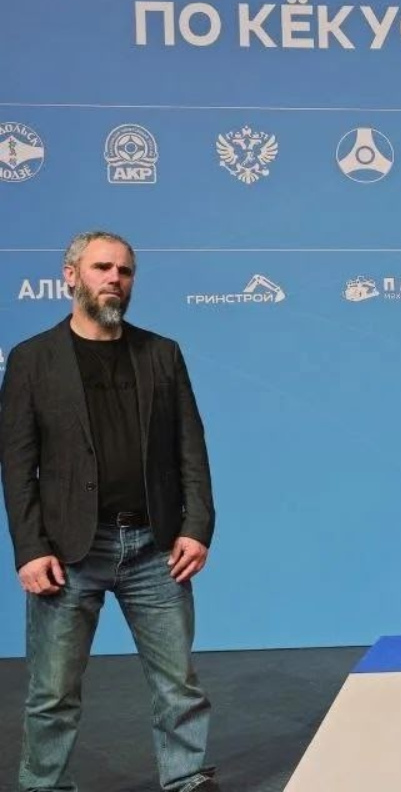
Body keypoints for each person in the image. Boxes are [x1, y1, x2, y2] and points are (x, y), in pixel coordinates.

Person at [1, 231, 219, 792]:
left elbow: (190, 447)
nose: (114, 279)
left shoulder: (162, 354)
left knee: (178, 684)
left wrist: (196, 526)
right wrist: (30, 548)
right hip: (68, 551)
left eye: (124, 271)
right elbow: (17, 464)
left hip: (155, 547)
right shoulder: (31, 359)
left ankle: (186, 777)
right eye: (101, 267)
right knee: (52, 692)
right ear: (71, 275)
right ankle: (44, 785)